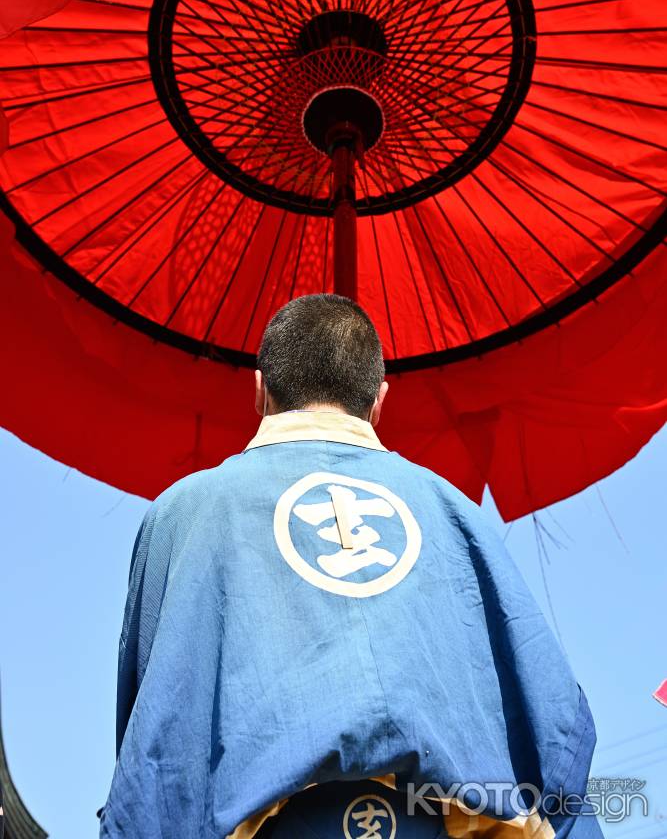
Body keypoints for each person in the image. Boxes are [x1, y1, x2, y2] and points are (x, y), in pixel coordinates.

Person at [100, 294, 602, 839]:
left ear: (260, 389)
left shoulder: (185, 510)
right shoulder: (458, 514)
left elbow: (154, 742)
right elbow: (553, 731)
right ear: (380, 401)